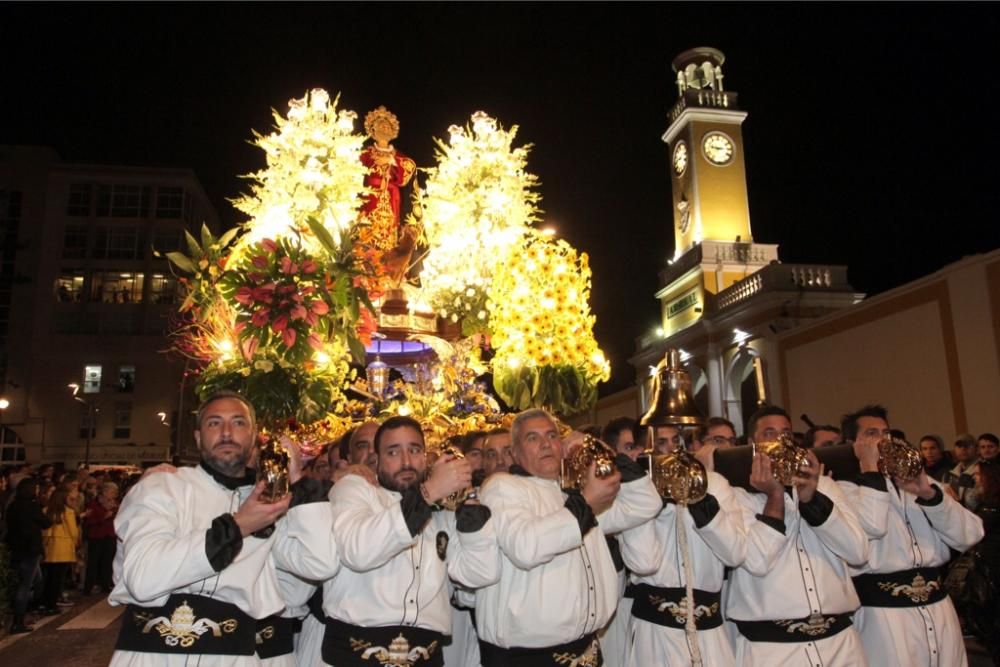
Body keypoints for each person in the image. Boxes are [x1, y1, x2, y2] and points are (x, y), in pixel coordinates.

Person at [108, 390, 336, 666]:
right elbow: (143, 577)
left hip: (236, 657)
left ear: (254, 439)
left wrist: (300, 485)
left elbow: (319, 564)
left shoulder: (268, 504)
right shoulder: (163, 486)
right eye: (214, 423)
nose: (227, 432)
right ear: (197, 437)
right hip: (154, 655)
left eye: (239, 423)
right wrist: (239, 525)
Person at [475, 408, 662, 666]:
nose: (545, 443)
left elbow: (646, 504)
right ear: (514, 453)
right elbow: (526, 547)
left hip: (587, 650)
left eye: (552, 435)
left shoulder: (574, 493)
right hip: (528, 659)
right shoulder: (503, 487)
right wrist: (586, 503)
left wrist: (604, 453)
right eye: (532, 438)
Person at [319, 415, 498, 667]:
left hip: (427, 657)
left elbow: (479, 575)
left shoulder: (441, 513)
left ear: (425, 456)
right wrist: (428, 493)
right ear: (377, 459)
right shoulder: (355, 491)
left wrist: (471, 517)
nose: (406, 462)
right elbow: (359, 551)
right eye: (393, 452)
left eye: (414, 450)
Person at [839, 405, 984, 667]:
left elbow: (970, 535)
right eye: (872, 434)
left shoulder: (923, 482)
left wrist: (930, 496)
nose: (882, 440)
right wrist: (870, 469)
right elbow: (868, 528)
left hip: (938, 607)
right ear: (853, 444)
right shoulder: (844, 490)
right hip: (883, 614)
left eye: (886, 432)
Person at [726, 405, 870, 667]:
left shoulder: (824, 486)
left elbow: (858, 552)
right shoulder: (736, 496)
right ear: (751, 444)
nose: (781, 441)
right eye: (769, 434)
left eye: (787, 434)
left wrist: (812, 500)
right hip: (773, 650)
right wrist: (775, 496)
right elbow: (756, 561)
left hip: (839, 644)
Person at [618, 430, 759, 665]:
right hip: (654, 633)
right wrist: (648, 498)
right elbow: (643, 563)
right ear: (645, 450)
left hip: (710, 633)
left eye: (677, 440)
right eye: (661, 443)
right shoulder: (635, 490)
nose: (672, 449)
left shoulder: (715, 483)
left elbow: (734, 554)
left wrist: (698, 495)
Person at [5, 477, 51, 634]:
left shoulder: (12, 506)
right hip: (30, 550)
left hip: (16, 549)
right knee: (25, 585)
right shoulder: (31, 507)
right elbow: (46, 523)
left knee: (35, 581)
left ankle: (28, 611)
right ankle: (18, 620)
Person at [40, 485, 80, 614]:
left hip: (50, 546)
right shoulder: (67, 511)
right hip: (64, 547)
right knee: (58, 579)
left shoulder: (46, 510)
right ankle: (52, 605)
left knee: (49, 577)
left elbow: (43, 530)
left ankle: (46, 603)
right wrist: (76, 543)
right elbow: (73, 531)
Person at [83, 481, 119, 594]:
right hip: (96, 536)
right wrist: (104, 517)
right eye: (112, 492)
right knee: (93, 563)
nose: (114, 495)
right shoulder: (94, 504)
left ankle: (105, 585)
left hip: (110, 535)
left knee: (107, 562)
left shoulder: (114, 503)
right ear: (104, 492)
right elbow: (88, 522)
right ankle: (88, 587)